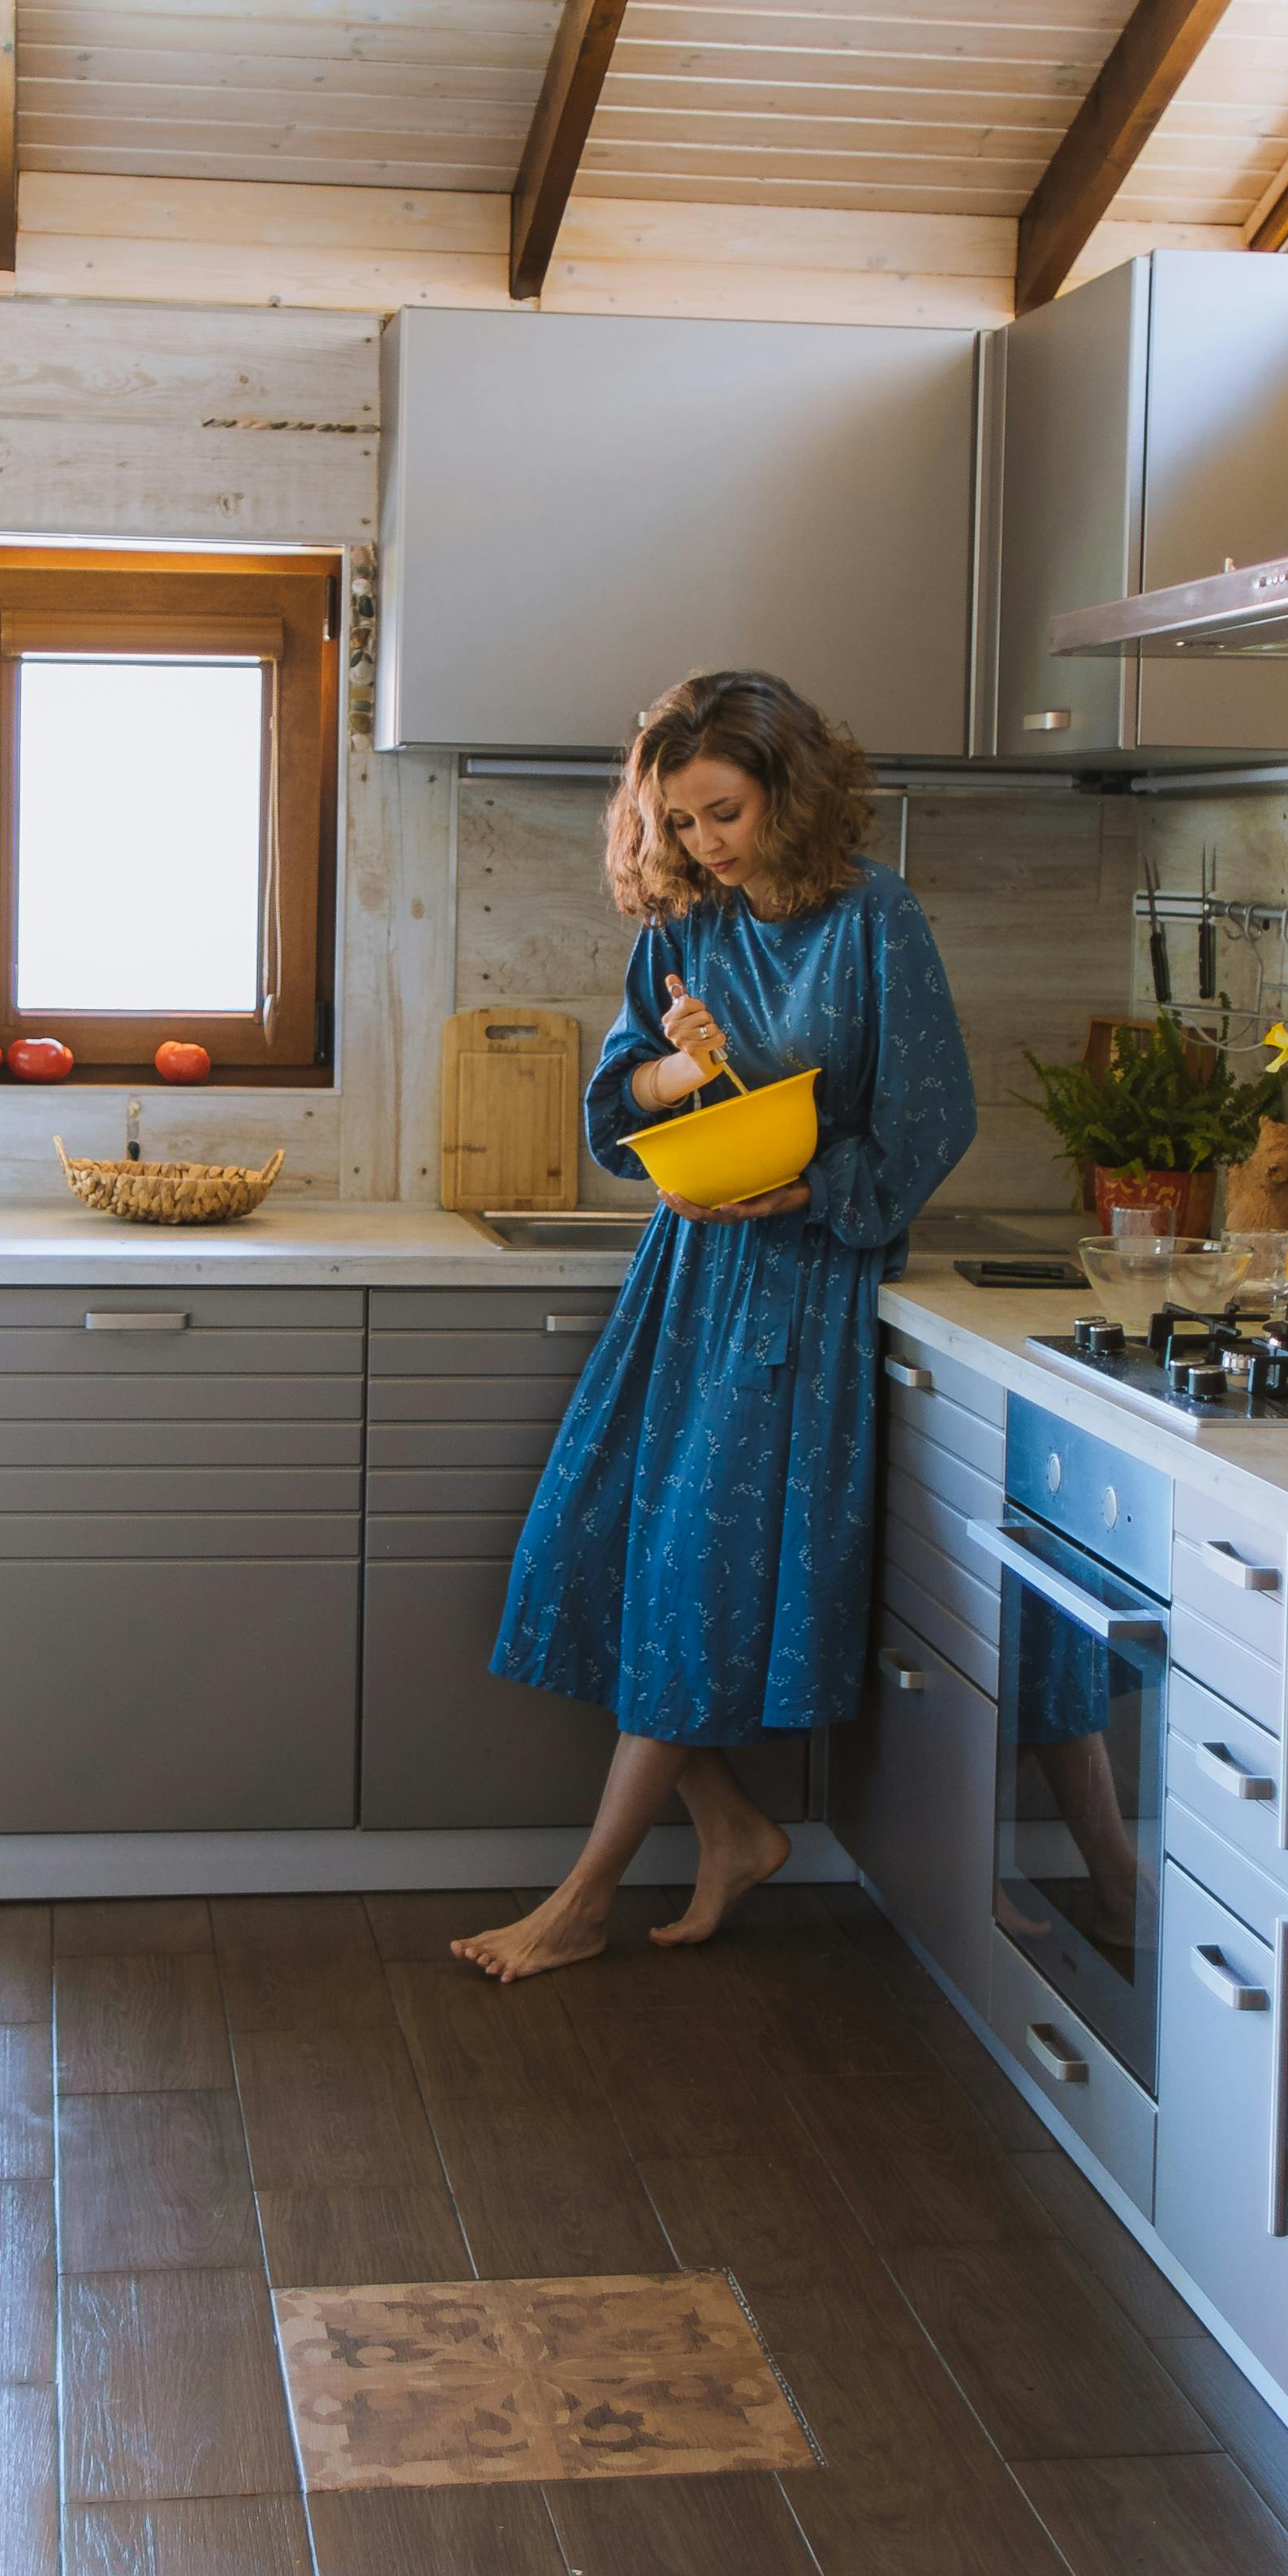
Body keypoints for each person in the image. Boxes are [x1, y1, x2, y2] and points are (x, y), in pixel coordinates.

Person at [452, 670, 977, 1983]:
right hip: (686, 1276)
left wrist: (817, 1188)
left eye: (723, 812)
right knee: (609, 1551)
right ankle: (733, 1827)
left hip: (802, 1289)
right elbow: (617, 1110)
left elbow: (930, 1120)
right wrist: (685, 1060)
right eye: (680, 822)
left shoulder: (878, 921)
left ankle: (582, 1897)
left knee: (686, 1585)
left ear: (791, 790)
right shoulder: (686, 929)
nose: (703, 844)